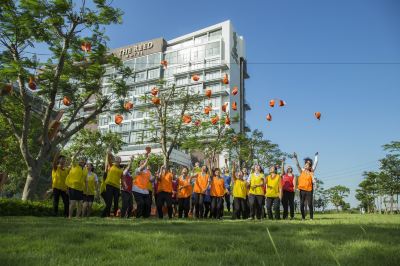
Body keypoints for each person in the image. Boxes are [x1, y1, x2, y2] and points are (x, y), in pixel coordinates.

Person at [293, 152, 319, 220]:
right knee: (301, 204)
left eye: (308, 164)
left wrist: (316, 156)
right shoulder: (302, 171)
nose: (306, 165)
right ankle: (303, 217)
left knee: (310, 204)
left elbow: (315, 163)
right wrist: (296, 158)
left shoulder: (311, 172)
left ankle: (311, 218)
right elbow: (297, 165)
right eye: (305, 164)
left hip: (309, 189)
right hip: (302, 189)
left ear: (310, 166)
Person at [101, 150, 123, 218]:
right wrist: (109, 153)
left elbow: (122, 179)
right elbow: (108, 159)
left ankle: (115, 215)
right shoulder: (111, 165)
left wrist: (122, 186)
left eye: (119, 159)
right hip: (109, 185)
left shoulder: (121, 170)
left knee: (116, 202)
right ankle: (107, 215)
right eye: (117, 159)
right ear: (115, 161)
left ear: (120, 161)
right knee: (109, 201)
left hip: (116, 187)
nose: (118, 160)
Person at [65, 150, 87, 219]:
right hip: (73, 186)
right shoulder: (75, 165)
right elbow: (73, 158)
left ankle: (77, 217)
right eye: (80, 160)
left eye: (83, 160)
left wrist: (86, 188)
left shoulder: (85, 169)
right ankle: (70, 216)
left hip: (80, 188)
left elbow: (85, 180)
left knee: (80, 203)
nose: (82, 161)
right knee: (73, 202)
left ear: (85, 162)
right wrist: (78, 152)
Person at [132, 153, 154, 218]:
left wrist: (155, 176)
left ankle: (145, 217)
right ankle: (138, 216)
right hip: (137, 189)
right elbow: (142, 167)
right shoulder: (137, 170)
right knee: (141, 203)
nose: (143, 162)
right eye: (141, 162)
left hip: (145, 191)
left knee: (147, 204)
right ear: (139, 164)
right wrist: (147, 159)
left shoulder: (148, 172)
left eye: (143, 162)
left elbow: (151, 180)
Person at [51, 152, 69, 217]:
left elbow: (67, 180)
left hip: (64, 189)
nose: (63, 160)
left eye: (64, 159)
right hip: (56, 188)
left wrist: (67, 189)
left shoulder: (66, 170)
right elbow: (54, 162)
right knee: (56, 202)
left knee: (66, 202)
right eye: (62, 159)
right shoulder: (56, 167)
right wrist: (56, 155)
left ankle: (66, 215)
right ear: (59, 160)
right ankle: (54, 214)